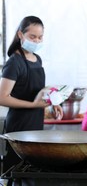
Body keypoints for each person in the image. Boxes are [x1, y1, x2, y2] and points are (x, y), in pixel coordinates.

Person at [0, 16, 63, 174]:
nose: (36, 41)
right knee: (16, 171)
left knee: (31, 170)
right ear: (21, 35)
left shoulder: (37, 59)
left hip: (35, 124)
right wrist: (33, 105)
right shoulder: (14, 62)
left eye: (40, 37)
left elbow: (38, 90)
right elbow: (2, 97)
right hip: (18, 126)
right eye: (32, 37)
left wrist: (53, 102)